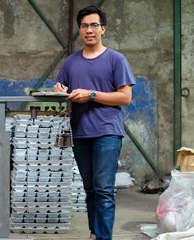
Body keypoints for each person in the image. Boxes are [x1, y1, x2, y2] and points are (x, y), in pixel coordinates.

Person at [53, 5, 136, 240]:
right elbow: (61, 89)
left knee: (104, 191)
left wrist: (91, 94)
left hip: (107, 133)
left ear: (103, 29)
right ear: (80, 30)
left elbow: (125, 97)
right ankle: (94, 233)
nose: (89, 30)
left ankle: (102, 237)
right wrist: (59, 89)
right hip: (80, 133)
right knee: (90, 190)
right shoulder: (71, 62)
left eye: (94, 25)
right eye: (84, 26)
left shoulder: (116, 60)